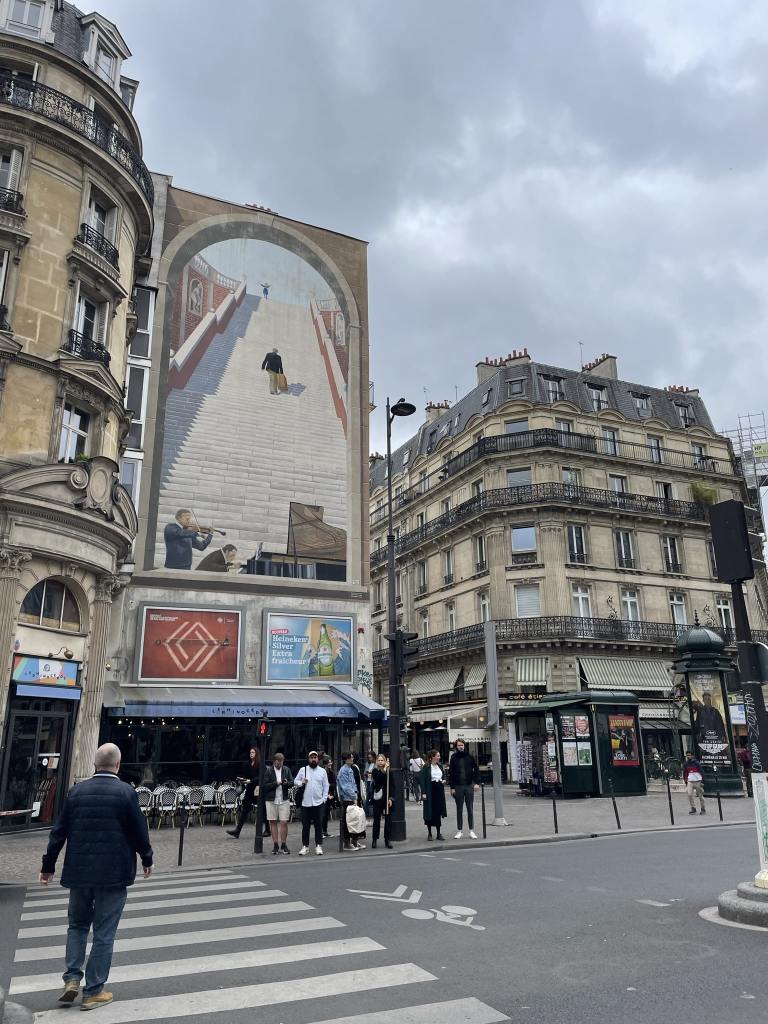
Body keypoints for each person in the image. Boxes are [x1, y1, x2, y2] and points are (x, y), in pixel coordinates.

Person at [39, 743, 153, 1011]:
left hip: (79, 872)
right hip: (113, 874)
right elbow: (139, 831)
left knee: (77, 926)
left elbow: (59, 832)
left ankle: (71, 978)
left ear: (94, 764)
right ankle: (93, 991)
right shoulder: (126, 792)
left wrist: (48, 865)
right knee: (104, 933)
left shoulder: (76, 792)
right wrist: (147, 857)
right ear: (118, 765)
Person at [293, 751, 329, 855]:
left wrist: (324, 799)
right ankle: (305, 846)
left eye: (315, 757)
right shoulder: (303, 770)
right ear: (308, 759)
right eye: (311, 757)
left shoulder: (322, 771)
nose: (313, 759)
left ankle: (318, 845)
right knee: (305, 826)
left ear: (318, 759)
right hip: (305, 803)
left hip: (318, 803)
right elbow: (295, 781)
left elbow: (326, 785)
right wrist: (301, 782)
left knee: (318, 825)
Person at [262, 752, 293, 855]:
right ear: (274, 762)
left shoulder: (286, 769)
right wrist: (276, 783)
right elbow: (265, 786)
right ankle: (275, 845)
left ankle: (283, 844)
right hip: (271, 800)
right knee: (273, 822)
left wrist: (286, 783)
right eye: (277, 763)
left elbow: (292, 782)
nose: (279, 765)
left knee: (284, 822)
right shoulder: (269, 771)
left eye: (281, 763)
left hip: (284, 799)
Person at [448, 739, 480, 839]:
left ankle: (471, 830)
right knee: (459, 809)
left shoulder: (469, 756)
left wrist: (476, 783)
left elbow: (476, 769)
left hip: (469, 785)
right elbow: (451, 773)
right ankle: (459, 831)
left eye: (462, 745)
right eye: (459, 745)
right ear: (456, 747)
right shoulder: (453, 757)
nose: (461, 747)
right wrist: (452, 787)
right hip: (458, 786)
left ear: (464, 745)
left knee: (470, 808)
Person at [227, 746, 260, 839]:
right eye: (250, 752)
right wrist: (242, 780)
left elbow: (260, 777)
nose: (251, 754)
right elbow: (247, 776)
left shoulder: (260, 764)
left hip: (257, 789)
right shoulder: (248, 764)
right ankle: (237, 831)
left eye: (253, 752)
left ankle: (268, 830)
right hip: (249, 789)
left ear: (256, 754)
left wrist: (251, 781)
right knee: (245, 809)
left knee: (263, 810)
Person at [337, 752, 364, 851]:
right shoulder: (344, 770)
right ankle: (347, 842)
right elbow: (346, 787)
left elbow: (353, 784)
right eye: (350, 758)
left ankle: (354, 841)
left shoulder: (349, 769)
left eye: (352, 757)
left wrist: (355, 794)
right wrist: (354, 796)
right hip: (347, 799)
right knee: (348, 820)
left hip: (351, 797)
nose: (352, 759)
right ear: (346, 759)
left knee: (354, 819)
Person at [419, 749, 447, 841]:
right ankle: (430, 833)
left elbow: (443, 775)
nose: (439, 757)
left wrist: (443, 780)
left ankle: (438, 833)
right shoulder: (426, 767)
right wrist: (423, 793)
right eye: (438, 756)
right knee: (429, 811)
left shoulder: (440, 766)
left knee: (438, 811)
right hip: (430, 789)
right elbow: (422, 780)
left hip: (439, 789)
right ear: (432, 757)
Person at [371, 754, 393, 849]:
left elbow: (392, 785)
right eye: (379, 760)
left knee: (388, 820)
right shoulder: (375, 771)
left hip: (386, 798)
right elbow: (378, 780)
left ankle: (387, 839)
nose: (380, 762)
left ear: (385, 761)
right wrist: (384, 770)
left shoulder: (389, 772)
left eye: (382, 760)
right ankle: (374, 839)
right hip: (378, 798)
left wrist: (391, 798)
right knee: (376, 819)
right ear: (377, 762)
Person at [683, 751, 706, 815]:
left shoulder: (696, 763)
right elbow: (685, 773)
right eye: (687, 755)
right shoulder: (686, 764)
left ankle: (703, 808)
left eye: (689, 755)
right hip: (690, 781)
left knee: (700, 796)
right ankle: (693, 808)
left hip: (698, 781)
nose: (688, 756)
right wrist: (686, 781)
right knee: (689, 794)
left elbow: (701, 771)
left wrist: (702, 781)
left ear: (692, 756)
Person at [321, 755, 336, 839]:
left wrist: (329, 785)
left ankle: (325, 831)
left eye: (331, 762)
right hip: (323, 795)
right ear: (325, 764)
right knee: (322, 814)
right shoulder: (322, 772)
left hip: (330, 795)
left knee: (326, 814)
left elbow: (334, 783)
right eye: (328, 762)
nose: (330, 764)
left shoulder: (331, 773)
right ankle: (321, 831)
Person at [363, 751, 376, 819]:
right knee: (367, 798)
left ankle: (375, 813)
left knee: (374, 797)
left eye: (371, 757)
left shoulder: (376, 764)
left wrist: (372, 774)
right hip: (368, 782)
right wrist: (367, 773)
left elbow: (377, 773)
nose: (370, 759)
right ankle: (366, 813)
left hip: (373, 782)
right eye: (369, 758)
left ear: (374, 757)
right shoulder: (367, 764)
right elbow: (364, 773)